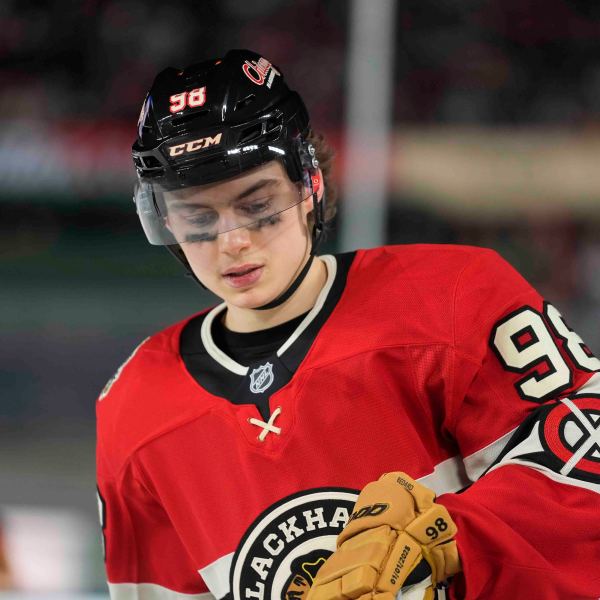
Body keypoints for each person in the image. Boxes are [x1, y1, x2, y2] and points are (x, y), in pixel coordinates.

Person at [96, 49, 600, 600]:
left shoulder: (456, 298)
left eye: (258, 204)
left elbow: (585, 467)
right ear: (165, 220)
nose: (232, 241)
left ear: (308, 182)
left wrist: (456, 540)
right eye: (198, 218)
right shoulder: (134, 408)